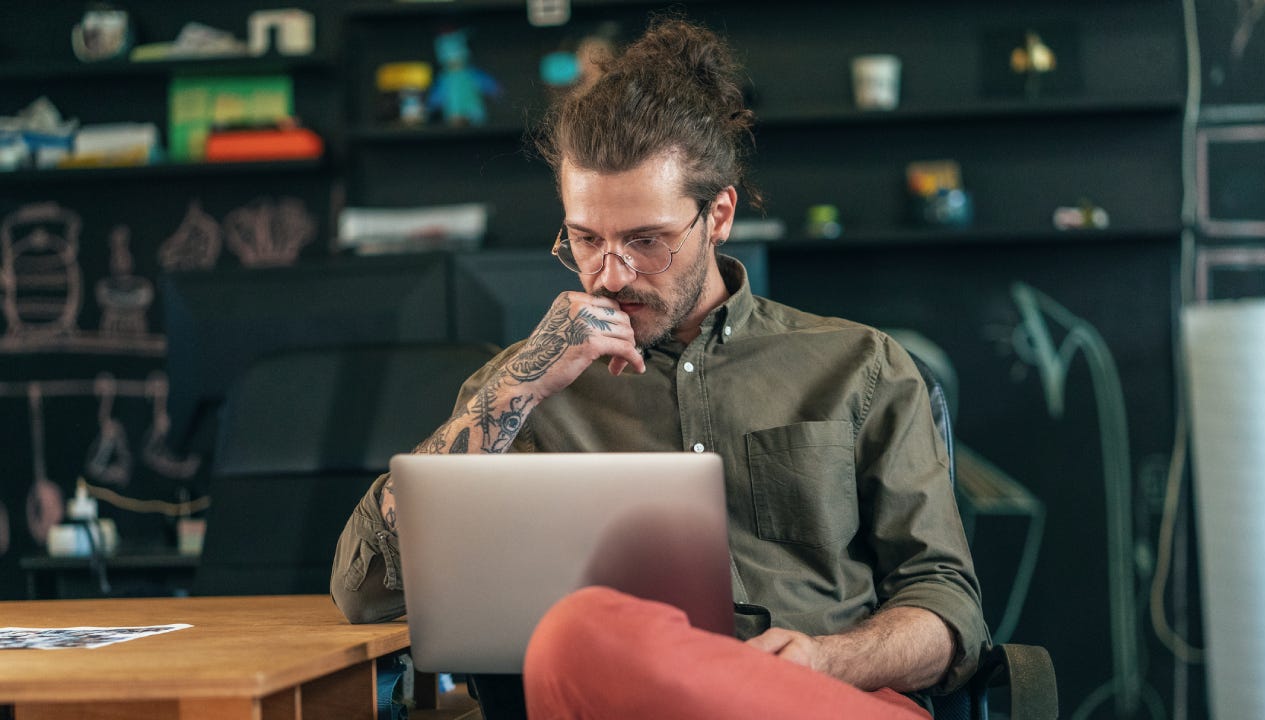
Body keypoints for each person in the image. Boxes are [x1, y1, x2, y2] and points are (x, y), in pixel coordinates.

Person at [332, 15, 989, 719]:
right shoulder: (522, 388)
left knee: (579, 634)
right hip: (611, 699)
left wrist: (827, 659)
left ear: (720, 215)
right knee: (581, 636)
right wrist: (518, 387)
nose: (611, 275)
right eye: (585, 239)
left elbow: (949, 615)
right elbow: (363, 588)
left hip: (822, 701)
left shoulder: (859, 367)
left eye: (647, 240)